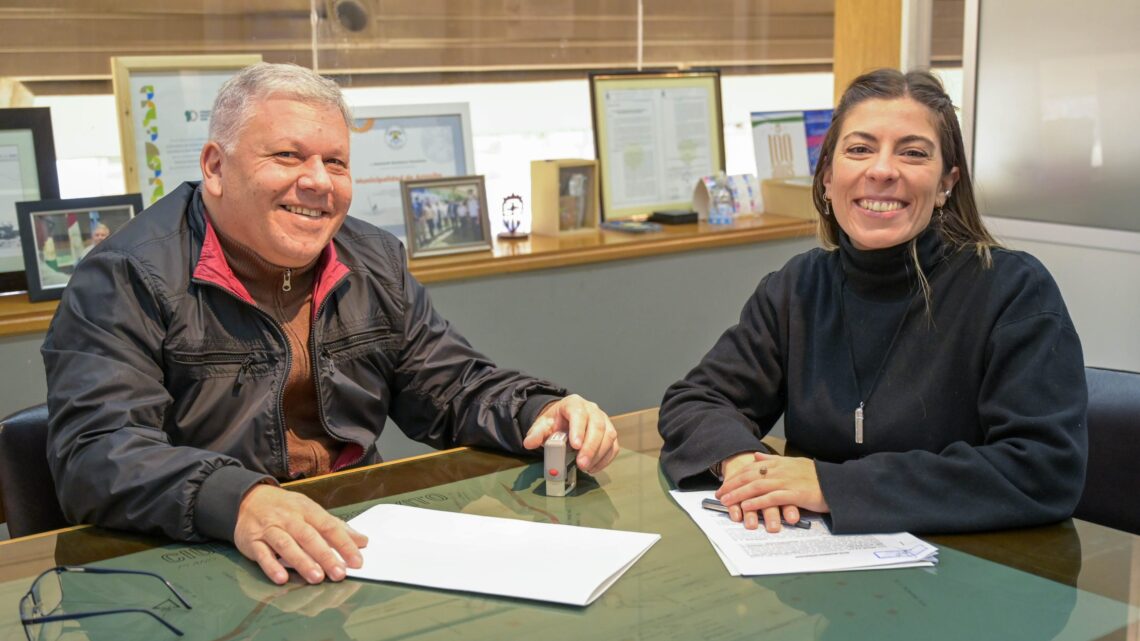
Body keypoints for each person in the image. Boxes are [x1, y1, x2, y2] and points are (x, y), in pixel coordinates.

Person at [42, 62, 619, 587]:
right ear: (216, 167)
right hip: (201, 556)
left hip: (355, 541)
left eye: (336, 161)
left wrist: (539, 410)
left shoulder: (372, 259)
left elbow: (448, 387)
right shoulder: (125, 275)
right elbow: (96, 452)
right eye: (288, 156)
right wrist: (237, 500)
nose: (319, 181)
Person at [657, 68, 1087, 536]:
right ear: (826, 178)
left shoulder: (1013, 290)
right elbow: (697, 400)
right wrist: (742, 466)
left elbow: (1043, 469)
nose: (881, 170)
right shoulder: (798, 288)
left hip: (977, 573)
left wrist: (829, 485)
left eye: (913, 153)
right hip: (821, 578)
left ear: (947, 183)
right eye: (859, 149)